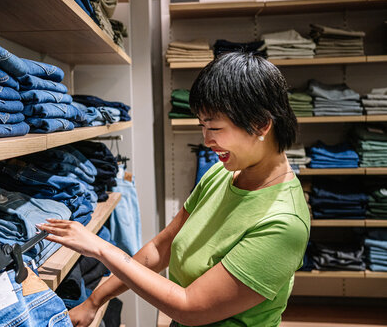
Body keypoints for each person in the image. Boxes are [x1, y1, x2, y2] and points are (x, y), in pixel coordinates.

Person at [36, 52, 311, 326]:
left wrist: (102, 249)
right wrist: (94, 300)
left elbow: (190, 308)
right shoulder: (221, 173)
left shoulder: (284, 224)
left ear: (261, 124)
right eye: (202, 126)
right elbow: (160, 248)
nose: (206, 140)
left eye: (214, 127)